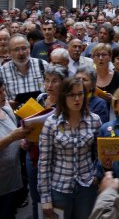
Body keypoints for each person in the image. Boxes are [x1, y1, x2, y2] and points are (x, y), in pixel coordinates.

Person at [38, 77, 102, 219]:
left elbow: (101, 154)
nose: (77, 99)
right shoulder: (51, 123)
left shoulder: (94, 120)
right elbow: (44, 162)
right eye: (72, 95)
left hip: (86, 185)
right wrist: (45, 198)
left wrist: (96, 176)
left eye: (80, 94)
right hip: (59, 186)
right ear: (63, 97)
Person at [0, 76, 31, 218]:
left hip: (12, 180)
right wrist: (13, 136)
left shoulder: (6, 109)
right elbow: (12, 135)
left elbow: (15, 137)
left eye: (3, 90)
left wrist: (23, 142)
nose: (4, 95)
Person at [1, 34, 48, 108]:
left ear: (29, 48)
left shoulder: (42, 65)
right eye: (16, 49)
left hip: (42, 115)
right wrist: (7, 103)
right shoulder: (2, 72)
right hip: (15, 116)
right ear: (9, 52)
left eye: (24, 48)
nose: (21, 53)